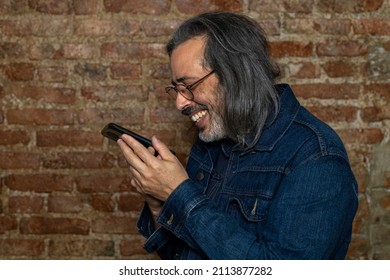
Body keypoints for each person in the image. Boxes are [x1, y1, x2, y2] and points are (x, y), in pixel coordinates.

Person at [117, 11, 358, 259]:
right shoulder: (211, 139)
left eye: (188, 86)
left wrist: (179, 193)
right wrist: (159, 203)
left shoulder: (316, 158)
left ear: (235, 74)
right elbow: (186, 257)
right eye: (176, 89)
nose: (180, 103)